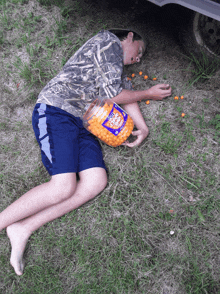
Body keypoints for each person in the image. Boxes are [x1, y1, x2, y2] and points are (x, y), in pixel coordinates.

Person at [0, 29, 172, 276]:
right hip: (56, 111)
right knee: (62, 187)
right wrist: (149, 93)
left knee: (96, 181)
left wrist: (142, 127)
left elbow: (124, 94)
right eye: (139, 52)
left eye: (140, 59)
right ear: (130, 37)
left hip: (85, 123)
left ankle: (23, 229)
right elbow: (116, 95)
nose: (138, 60)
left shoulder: (116, 70)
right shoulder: (108, 42)